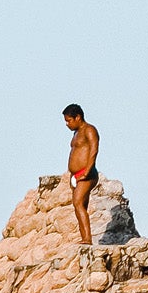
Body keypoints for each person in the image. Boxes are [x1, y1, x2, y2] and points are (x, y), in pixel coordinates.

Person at [63, 104, 101, 247]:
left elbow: (94, 150)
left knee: (77, 202)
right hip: (75, 175)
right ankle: (84, 237)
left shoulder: (89, 130)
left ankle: (87, 239)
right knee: (80, 206)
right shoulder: (76, 133)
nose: (67, 124)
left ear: (78, 117)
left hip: (87, 174)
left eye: (69, 120)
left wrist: (86, 172)